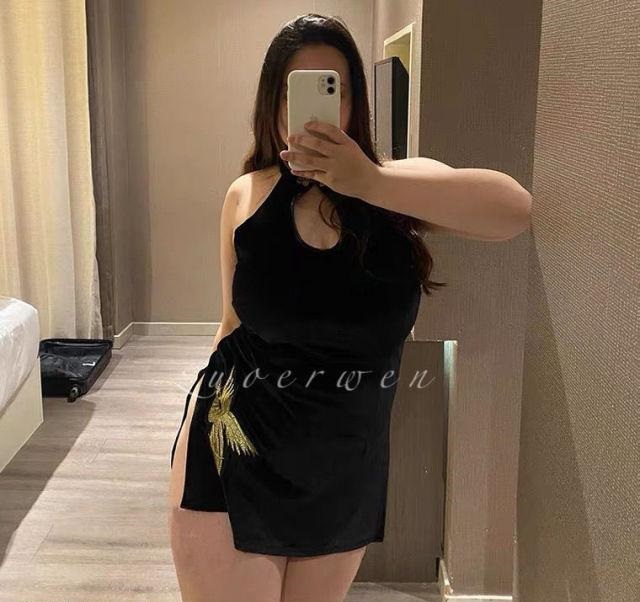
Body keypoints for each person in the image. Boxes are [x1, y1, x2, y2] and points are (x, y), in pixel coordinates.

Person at [167, 12, 532, 602]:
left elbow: (514, 211)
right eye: (293, 92)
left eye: (331, 89)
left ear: (355, 101)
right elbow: (230, 326)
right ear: (273, 104)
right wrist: (189, 438)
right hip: (235, 453)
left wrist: (367, 182)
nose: (315, 111)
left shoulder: (397, 187)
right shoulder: (248, 194)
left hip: (344, 470)